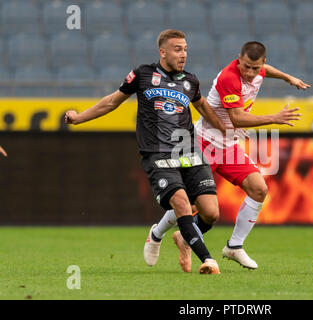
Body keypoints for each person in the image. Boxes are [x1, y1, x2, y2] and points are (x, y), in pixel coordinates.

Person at [65, 29, 228, 275]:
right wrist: (79, 118)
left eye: (185, 49)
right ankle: (208, 259)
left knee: (211, 212)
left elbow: (203, 107)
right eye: (177, 49)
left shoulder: (190, 81)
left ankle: (166, 235)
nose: (183, 54)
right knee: (182, 203)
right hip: (158, 153)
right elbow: (111, 102)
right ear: (162, 52)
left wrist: (225, 129)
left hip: (189, 150)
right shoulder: (142, 74)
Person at [145, 41, 310, 272]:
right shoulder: (229, 78)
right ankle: (156, 234)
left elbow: (267, 70)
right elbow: (237, 119)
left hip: (229, 145)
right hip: (202, 143)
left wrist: (287, 77)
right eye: (246, 67)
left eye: (256, 68)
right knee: (189, 201)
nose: (250, 73)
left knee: (259, 189)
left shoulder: (258, 69)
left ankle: (233, 246)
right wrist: (275, 117)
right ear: (238, 60)